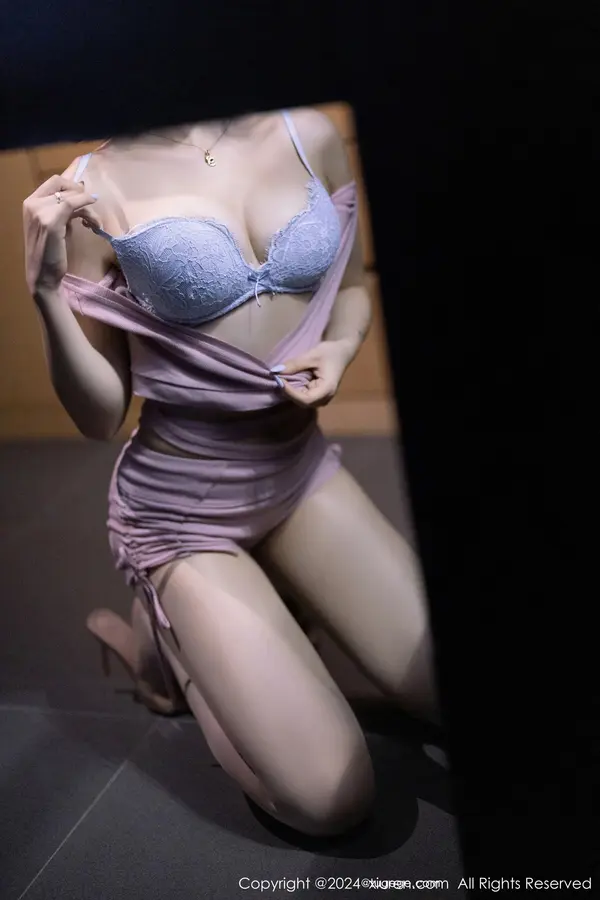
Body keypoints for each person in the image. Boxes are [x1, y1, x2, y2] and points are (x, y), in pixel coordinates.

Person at [23, 107, 439, 838]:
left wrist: (340, 349)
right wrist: (47, 295)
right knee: (330, 797)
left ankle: (266, 597)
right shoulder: (95, 187)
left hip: (298, 472)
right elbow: (101, 416)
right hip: (181, 509)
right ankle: (170, 647)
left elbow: (348, 289)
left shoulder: (307, 131)